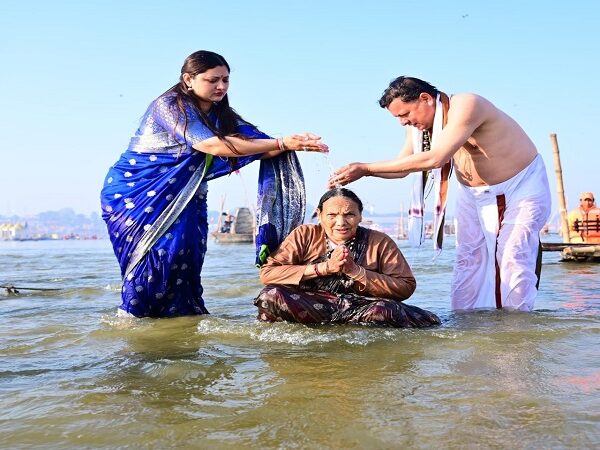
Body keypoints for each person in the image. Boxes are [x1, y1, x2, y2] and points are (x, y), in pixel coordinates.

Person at [101, 50, 328, 318]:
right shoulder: (169, 105)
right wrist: (281, 143)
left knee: (186, 258)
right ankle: (134, 324)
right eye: (213, 80)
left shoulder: (223, 115)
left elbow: (256, 147)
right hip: (137, 194)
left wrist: (295, 144)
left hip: (188, 196)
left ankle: (183, 323)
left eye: (226, 80)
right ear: (188, 79)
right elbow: (209, 144)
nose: (221, 86)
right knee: (155, 259)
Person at [330, 76, 551, 311]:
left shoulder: (467, 104)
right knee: (468, 260)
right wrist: (364, 173)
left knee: (512, 256)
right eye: (398, 118)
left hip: (520, 187)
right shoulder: (419, 129)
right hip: (473, 193)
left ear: (425, 99)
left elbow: (436, 158)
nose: (404, 123)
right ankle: (467, 324)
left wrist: (366, 168)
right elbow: (402, 168)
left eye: (405, 115)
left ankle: (516, 330)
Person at [254, 188, 440, 328]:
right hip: (312, 306)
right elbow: (268, 274)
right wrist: (324, 268)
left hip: (361, 309)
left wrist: (355, 271)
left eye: (349, 214)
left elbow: (406, 287)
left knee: (386, 310)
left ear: (360, 216)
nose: (341, 222)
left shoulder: (380, 241)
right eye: (332, 215)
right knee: (270, 296)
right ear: (319, 215)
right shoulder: (304, 234)